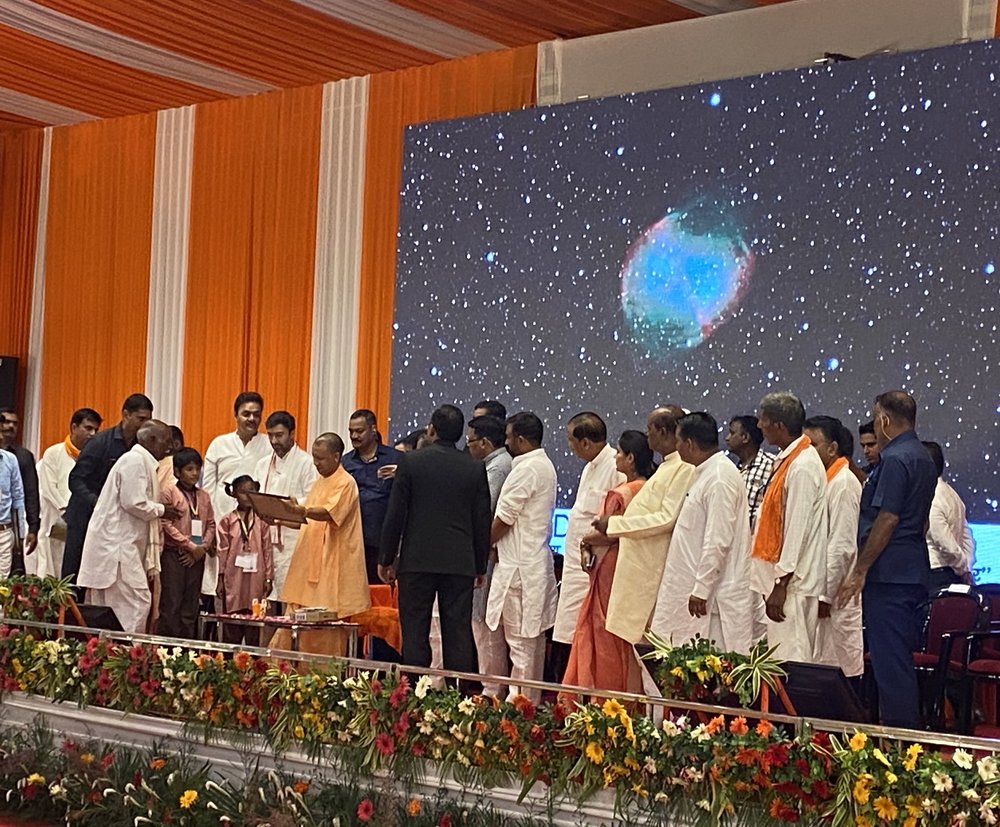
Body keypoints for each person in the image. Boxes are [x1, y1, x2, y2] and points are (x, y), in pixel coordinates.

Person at [838, 391, 937, 729]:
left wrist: (861, 569)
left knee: (890, 664)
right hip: (909, 569)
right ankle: (900, 740)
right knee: (896, 661)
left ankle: (899, 747)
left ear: (883, 420)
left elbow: (888, 518)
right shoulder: (922, 456)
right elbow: (921, 521)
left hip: (889, 575)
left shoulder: (895, 459)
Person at [378, 405, 491, 676]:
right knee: (458, 632)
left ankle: (413, 696)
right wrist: (479, 565)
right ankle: (457, 701)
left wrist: (386, 558)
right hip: (459, 562)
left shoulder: (411, 462)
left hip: (417, 559)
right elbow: (481, 520)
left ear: (431, 429)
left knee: (415, 629)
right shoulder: (475, 468)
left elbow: (396, 513)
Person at [651, 412, 754, 654]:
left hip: (711, 599)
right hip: (690, 588)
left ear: (689, 444)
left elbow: (718, 540)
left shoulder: (720, 478)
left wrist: (701, 589)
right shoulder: (706, 473)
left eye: (677, 442)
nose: (676, 447)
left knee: (706, 673)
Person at [591, 406, 694, 646]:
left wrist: (614, 524)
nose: (647, 435)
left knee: (650, 651)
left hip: (653, 568)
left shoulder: (683, 467)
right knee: (638, 650)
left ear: (663, 431)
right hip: (639, 566)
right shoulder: (668, 466)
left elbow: (666, 518)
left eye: (650, 429)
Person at [564, 430, 652, 693]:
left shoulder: (622, 493)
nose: (616, 457)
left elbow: (608, 533)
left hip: (609, 567)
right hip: (630, 566)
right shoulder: (649, 488)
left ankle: (606, 697)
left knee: (604, 631)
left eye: (620, 453)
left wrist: (585, 542)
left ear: (631, 458)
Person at [76, 421, 181, 634]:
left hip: (119, 547)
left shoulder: (140, 460)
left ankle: (109, 656)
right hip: (118, 549)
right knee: (136, 603)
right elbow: (133, 502)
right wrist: (163, 510)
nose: (170, 447)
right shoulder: (134, 461)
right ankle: (127, 657)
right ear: (151, 440)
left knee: (112, 610)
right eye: (166, 440)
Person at [486, 412, 558, 703]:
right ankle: (525, 704)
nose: (505, 442)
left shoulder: (528, 469)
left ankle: (519, 709)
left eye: (508, 437)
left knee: (520, 645)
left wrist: (481, 546)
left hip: (520, 570)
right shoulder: (540, 465)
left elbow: (504, 518)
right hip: (527, 565)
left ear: (521, 439)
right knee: (528, 644)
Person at [750, 391, 828, 663]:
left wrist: (780, 583)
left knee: (790, 663)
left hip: (792, 586)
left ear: (779, 425)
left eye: (764, 420)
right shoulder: (789, 460)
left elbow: (796, 530)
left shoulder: (803, 466)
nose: (759, 426)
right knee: (778, 659)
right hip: (783, 583)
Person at [552, 412, 625, 673]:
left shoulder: (616, 468)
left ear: (585, 442)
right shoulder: (589, 467)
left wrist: (588, 542)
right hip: (575, 566)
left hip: (595, 568)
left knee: (590, 636)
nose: (569, 447)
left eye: (571, 441)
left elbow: (617, 520)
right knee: (570, 635)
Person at [62, 393, 154, 585]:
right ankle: (67, 614)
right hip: (84, 515)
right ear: (126, 415)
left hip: (113, 522)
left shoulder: (141, 448)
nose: (144, 424)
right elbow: (76, 479)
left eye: (148, 420)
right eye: (141, 419)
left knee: (103, 575)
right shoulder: (99, 442)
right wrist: (97, 502)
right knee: (74, 572)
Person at [281, 434, 371, 627]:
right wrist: (278, 518)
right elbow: (306, 520)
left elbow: (329, 513)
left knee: (327, 622)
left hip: (332, 561)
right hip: (310, 561)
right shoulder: (319, 482)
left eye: (320, 458)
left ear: (336, 457)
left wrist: (302, 510)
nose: (315, 463)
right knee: (297, 622)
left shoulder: (346, 482)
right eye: (314, 457)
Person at [804, 416, 863, 679]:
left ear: (832, 448)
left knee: (836, 671)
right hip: (818, 589)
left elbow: (841, 546)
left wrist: (825, 595)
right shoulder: (824, 481)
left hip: (834, 595)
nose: (807, 452)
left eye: (813, 445)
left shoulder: (844, 483)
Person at [203, 392, 271, 615]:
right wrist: (210, 529)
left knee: (254, 594)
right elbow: (208, 490)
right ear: (236, 415)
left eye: (256, 414)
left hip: (256, 530)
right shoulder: (219, 444)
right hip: (223, 528)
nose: (251, 419)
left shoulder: (267, 445)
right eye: (246, 414)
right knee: (222, 588)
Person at [465, 414, 512, 696]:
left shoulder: (498, 469)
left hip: (489, 557)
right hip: (486, 555)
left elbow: (484, 512)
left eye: (470, 441)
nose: (468, 447)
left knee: (485, 625)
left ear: (484, 442)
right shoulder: (491, 465)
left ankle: (492, 689)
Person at [253, 411, 316, 604]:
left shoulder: (307, 463)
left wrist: (282, 511)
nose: (274, 441)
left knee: (291, 598)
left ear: (292, 434)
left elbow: (312, 500)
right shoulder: (263, 464)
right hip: (265, 537)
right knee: (265, 600)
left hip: (293, 538)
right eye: (270, 435)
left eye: (279, 435)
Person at [33, 408, 102, 578]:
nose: (92, 434)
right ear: (73, 427)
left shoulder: (95, 456)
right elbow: (49, 488)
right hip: (56, 518)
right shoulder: (53, 453)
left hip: (83, 520)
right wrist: (67, 510)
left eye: (95, 430)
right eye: (88, 428)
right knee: (52, 567)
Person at [159, 447, 217, 639]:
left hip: (196, 557)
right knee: (172, 603)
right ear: (177, 471)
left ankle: (187, 651)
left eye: (197, 469)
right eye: (189, 469)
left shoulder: (204, 496)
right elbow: (165, 524)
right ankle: (167, 651)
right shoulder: (168, 492)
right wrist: (190, 546)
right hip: (174, 555)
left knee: (191, 605)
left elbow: (210, 524)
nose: (194, 473)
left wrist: (202, 548)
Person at [342, 409, 403, 584]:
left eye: (359, 431)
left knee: (383, 598)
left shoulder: (395, 458)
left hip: (384, 541)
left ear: (373, 429)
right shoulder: (346, 462)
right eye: (351, 431)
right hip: (354, 542)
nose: (354, 436)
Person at [216, 475, 274, 645]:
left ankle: (253, 664)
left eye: (252, 491)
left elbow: (267, 550)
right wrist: (220, 578)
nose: (247, 496)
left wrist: (269, 577)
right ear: (234, 494)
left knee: (254, 622)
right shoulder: (227, 520)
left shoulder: (261, 520)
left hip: (256, 576)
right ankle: (228, 663)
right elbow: (222, 551)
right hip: (233, 578)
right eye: (243, 492)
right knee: (232, 623)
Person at [922, 441, 976, 592]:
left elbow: (943, 541)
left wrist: (963, 569)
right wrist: (966, 567)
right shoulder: (951, 493)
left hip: (937, 575)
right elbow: (967, 539)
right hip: (951, 573)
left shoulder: (931, 496)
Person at [0, 409, 40, 562]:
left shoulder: (23, 456)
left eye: (15, 423)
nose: (10, 426)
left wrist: (33, 528)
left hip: (10, 527)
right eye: (6, 422)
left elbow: (30, 494)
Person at [724, 415, 775, 529]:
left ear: (745, 437)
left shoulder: (771, 465)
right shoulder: (733, 469)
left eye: (732, 433)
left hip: (758, 539)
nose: (727, 438)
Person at [0, 445, 26, 578]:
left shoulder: (10, 460)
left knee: (2, 586)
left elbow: (18, 498)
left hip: (4, 531)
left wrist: (21, 536)